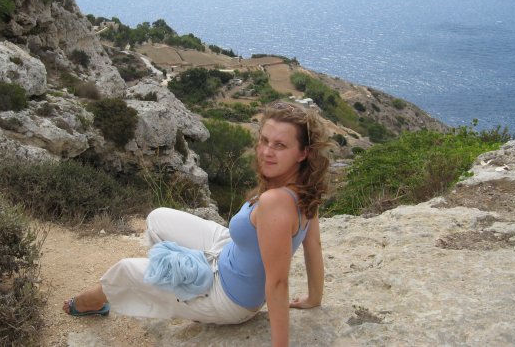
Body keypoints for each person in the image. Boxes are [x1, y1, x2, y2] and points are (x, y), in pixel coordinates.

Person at [63, 101, 330, 347]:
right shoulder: (305, 188)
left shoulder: (275, 202)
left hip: (228, 296)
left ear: (303, 153)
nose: (267, 152)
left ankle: (91, 302)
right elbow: (313, 245)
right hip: (228, 250)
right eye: (264, 140)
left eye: (280, 145)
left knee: (126, 269)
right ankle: (175, 286)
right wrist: (314, 298)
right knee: (157, 218)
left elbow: (278, 283)